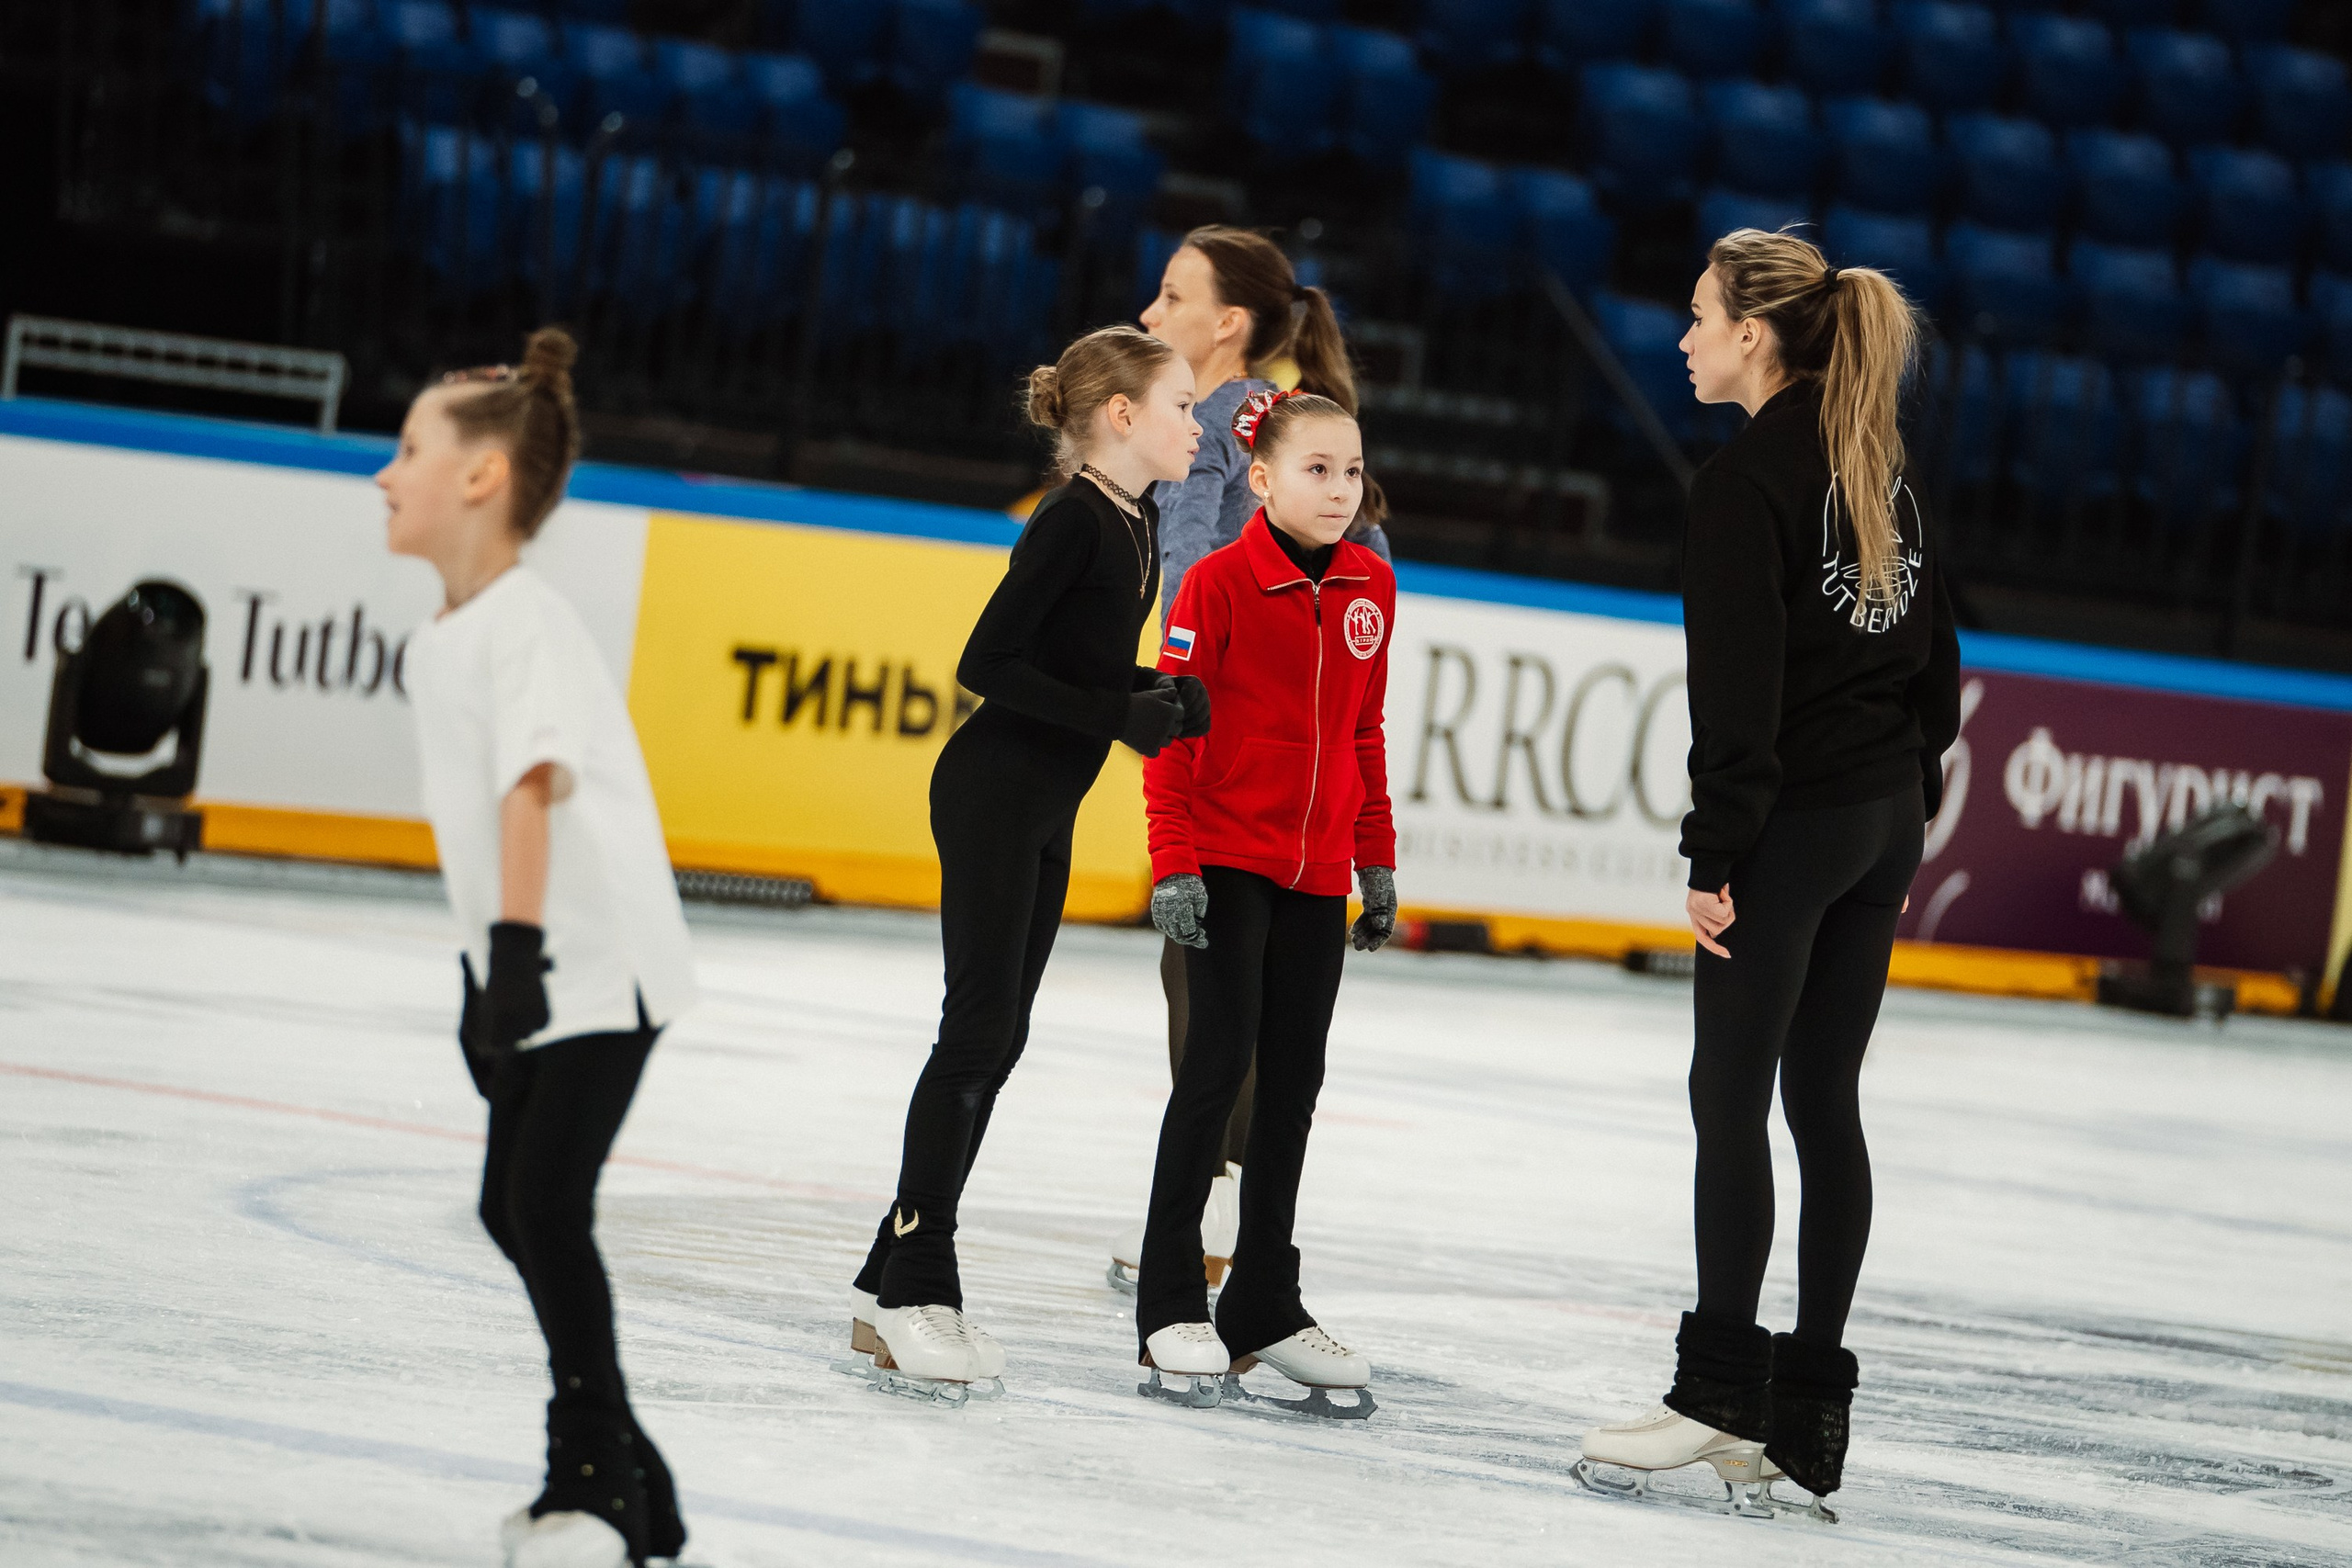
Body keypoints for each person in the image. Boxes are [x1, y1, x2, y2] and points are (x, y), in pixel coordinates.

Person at [1574, 231, 1960, 1517]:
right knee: (1824, 1099)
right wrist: (1912, 782)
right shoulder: (1876, 460)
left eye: (1699, 316)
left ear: (1754, 334)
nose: (1684, 338)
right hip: (1882, 817)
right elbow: (1936, 657)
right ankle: (1806, 1425)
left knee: (1729, 1092)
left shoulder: (1743, 483)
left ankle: (1719, 1394)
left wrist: (1716, 851)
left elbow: (1735, 699)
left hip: (1797, 824)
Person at [842, 325, 1206, 1402]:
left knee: (999, 1040)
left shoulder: (1137, 517)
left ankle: (885, 1279)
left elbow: (1075, 662)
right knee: (973, 1038)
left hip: (1045, 804)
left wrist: (1149, 690)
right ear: (1122, 416)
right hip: (994, 796)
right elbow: (986, 662)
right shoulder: (1072, 519)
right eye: (1183, 405)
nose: (1199, 425)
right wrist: (1116, 713)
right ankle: (918, 1281)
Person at [383, 328, 699, 1568]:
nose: (384, 474)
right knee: (510, 1204)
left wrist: (512, 959)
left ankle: (596, 1487)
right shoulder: (442, 637)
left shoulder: (526, 621)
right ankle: (635, 1475)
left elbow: (533, 784)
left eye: (408, 449)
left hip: (601, 962)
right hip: (538, 963)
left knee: (544, 1206)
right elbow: (478, 829)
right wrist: (485, 976)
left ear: (481, 476)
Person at [1106, 225, 1394, 1294]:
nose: (1151, 315)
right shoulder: (1297, 417)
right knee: (1256, 994)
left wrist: (1182, 662)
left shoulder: (1219, 418)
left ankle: (1204, 1216)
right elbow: (1367, 560)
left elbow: (1187, 567)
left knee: (1207, 981)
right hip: (1293, 750)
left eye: (1171, 296)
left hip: (1224, 746)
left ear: (1227, 323)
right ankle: (1230, 1214)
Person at [1130, 388, 1399, 1418]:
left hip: (1317, 876)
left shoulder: (1373, 584)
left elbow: (1366, 731)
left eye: (1350, 471)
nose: (1339, 489)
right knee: (1213, 1076)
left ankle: (1263, 1302)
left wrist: (1374, 859)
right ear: (1262, 478)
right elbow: (1174, 731)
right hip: (1227, 864)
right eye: (1316, 470)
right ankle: (1169, 1300)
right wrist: (1174, 862)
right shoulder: (1217, 583)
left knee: (1292, 1091)